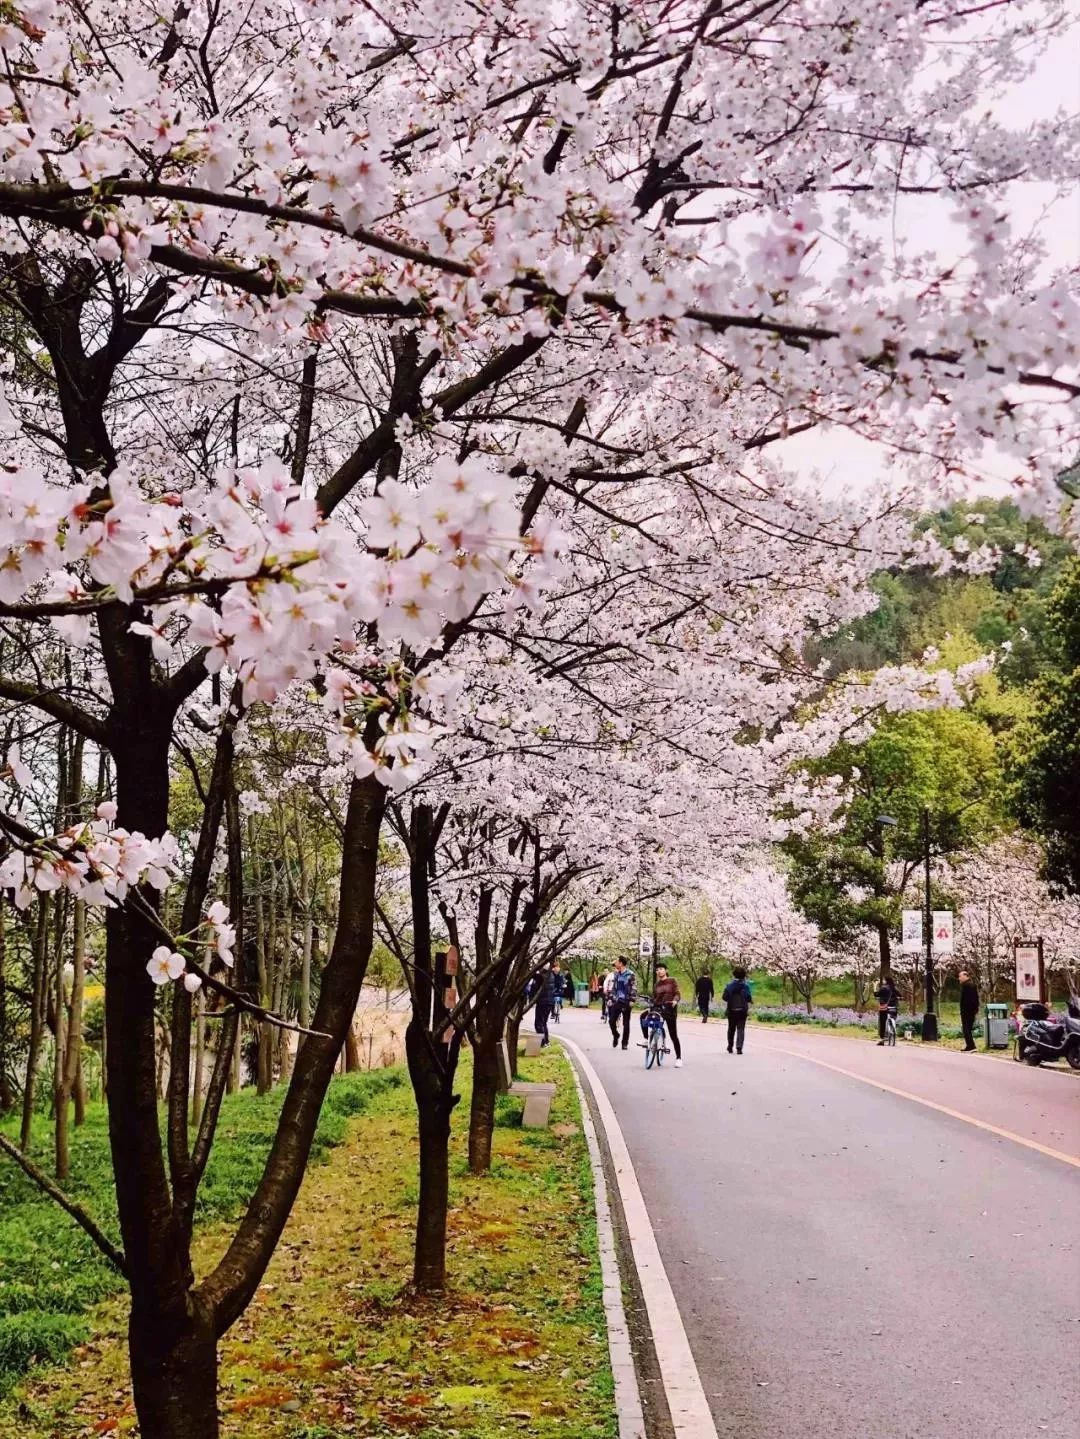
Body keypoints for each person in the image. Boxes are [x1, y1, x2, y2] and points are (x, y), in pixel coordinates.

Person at [652, 964, 683, 1067]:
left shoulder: (672, 981)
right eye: (657, 970)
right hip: (659, 1009)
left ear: (666, 970)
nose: (659, 971)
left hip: (670, 1009)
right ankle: (650, 1041)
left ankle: (679, 1058)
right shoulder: (656, 985)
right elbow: (654, 998)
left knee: (673, 1035)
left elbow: (677, 993)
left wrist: (675, 1001)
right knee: (648, 1020)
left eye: (661, 969)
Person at [608, 956, 637, 1050]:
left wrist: (632, 999)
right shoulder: (616, 974)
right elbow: (614, 988)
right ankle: (616, 1035)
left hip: (627, 1001)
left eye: (616, 962)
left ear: (621, 963)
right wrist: (610, 998)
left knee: (626, 1023)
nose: (615, 963)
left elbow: (634, 987)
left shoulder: (630, 974)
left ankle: (625, 1043)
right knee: (611, 1021)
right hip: (617, 1001)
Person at [722, 966, 752, 1054]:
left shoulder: (729, 986)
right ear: (744, 976)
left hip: (731, 1009)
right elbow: (748, 998)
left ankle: (730, 1046)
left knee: (731, 1028)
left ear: (734, 975)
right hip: (742, 1010)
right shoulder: (745, 986)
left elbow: (724, 997)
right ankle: (739, 1047)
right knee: (741, 1029)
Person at [534, 966, 557, 1047]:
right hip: (549, 1002)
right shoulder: (551, 975)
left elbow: (533, 975)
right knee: (543, 1023)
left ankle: (543, 1042)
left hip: (542, 1002)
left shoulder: (542, 976)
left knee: (539, 1023)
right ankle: (546, 1041)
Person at [874, 972, 899, 1045]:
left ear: (886, 981)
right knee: (893, 1018)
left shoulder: (884, 988)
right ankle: (893, 1029)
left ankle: (882, 1038)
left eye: (884, 980)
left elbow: (876, 994)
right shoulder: (894, 988)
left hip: (884, 1007)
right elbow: (900, 995)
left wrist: (875, 986)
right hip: (894, 1007)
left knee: (882, 1022)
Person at [958, 970, 979, 1051]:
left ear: (965, 976)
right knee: (968, 1028)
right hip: (971, 1010)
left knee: (966, 1028)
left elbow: (969, 1000)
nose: (959, 978)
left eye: (960, 976)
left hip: (967, 1011)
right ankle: (970, 1045)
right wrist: (976, 1009)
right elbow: (976, 998)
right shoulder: (971, 985)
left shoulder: (967, 986)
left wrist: (967, 1009)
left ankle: (971, 1046)